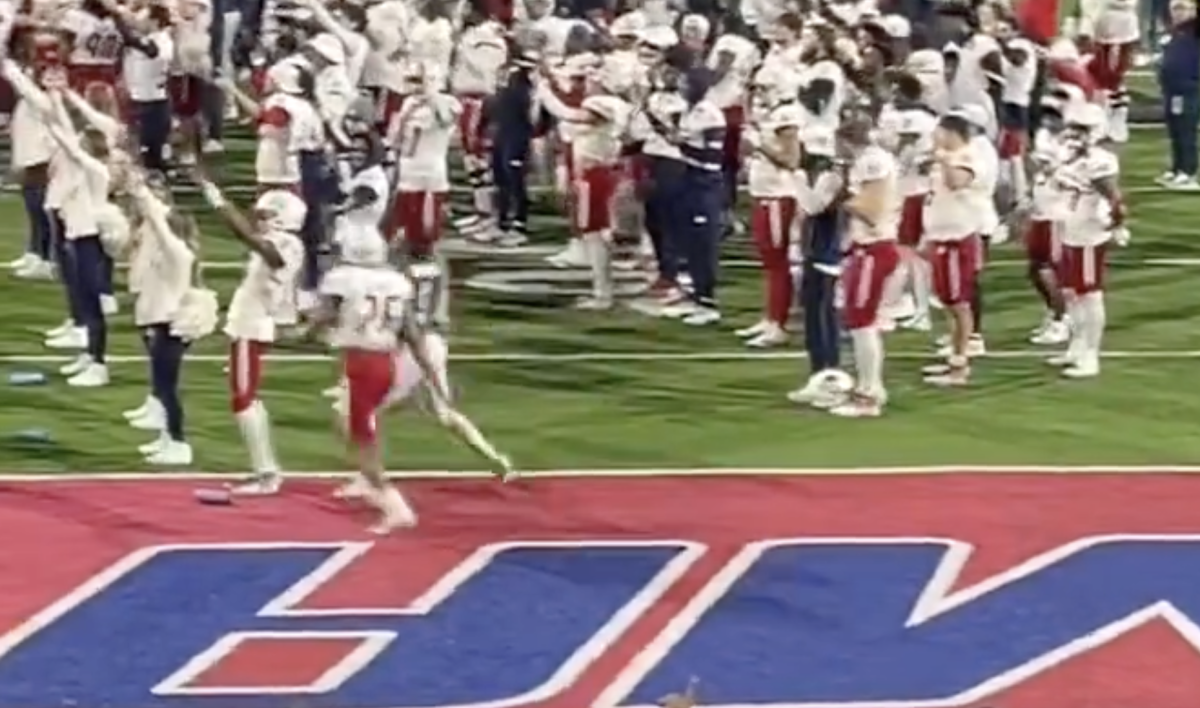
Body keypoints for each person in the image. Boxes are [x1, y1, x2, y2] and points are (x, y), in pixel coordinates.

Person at [196, 179, 306, 495]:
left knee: (244, 399)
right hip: (249, 326)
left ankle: (267, 473)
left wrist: (217, 199)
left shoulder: (287, 244)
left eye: (267, 214)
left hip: (252, 328)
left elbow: (248, 237)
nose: (259, 218)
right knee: (246, 399)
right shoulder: (281, 241)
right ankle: (265, 470)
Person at [1156, 0, 1199, 190]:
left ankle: (1188, 172)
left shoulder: (1194, 31)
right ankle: (1177, 169)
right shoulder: (1174, 32)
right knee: (1175, 130)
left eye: (1182, 8)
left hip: (1188, 88)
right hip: (1172, 90)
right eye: (1175, 8)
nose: (1178, 13)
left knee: (1186, 131)